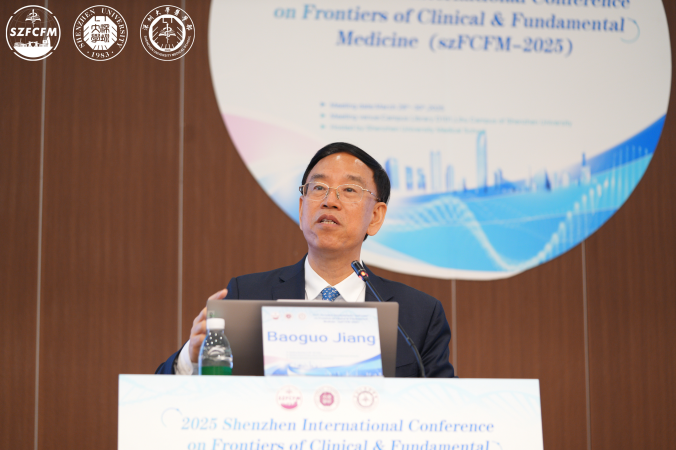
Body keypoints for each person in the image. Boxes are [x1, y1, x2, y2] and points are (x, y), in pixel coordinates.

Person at [156, 142, 455, 377]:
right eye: (319, 188)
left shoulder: (417, 316)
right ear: (301, 210)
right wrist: (191, 358)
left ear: (375, 217)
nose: (330, 201)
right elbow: (165, 391)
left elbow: (446, 406)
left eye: (349, 190)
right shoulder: (245, 296)